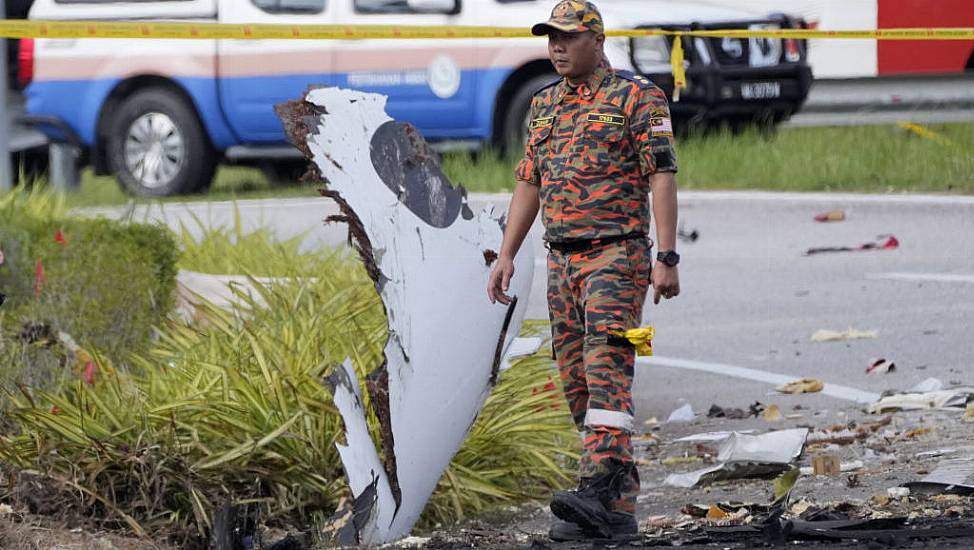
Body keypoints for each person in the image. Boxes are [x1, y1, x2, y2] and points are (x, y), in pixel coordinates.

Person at [486, 0, 680, 541]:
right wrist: (506, 253)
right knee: (574, 379)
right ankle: (615, 509)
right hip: (562, 258)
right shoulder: (544, 105)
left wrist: (666, 256)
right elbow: (529, 181)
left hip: (617, 255)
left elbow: (661, 176)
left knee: (607, 367)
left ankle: (596, 483)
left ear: (597, 40)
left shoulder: (637, 98)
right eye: (551, 37)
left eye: (568, 37)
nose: (557, 47)